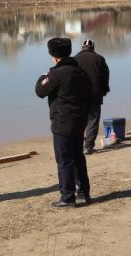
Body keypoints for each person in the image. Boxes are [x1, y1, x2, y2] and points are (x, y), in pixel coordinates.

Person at [35, 38, 93, 208]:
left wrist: (42, 77)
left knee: (64, 159)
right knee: (78, 157)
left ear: (53, 56)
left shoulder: (55, 75)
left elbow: (40, 91)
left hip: (62, 122)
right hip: (79, 120)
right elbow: (90, 94)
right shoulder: (80, 72)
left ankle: (67, 197)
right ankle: (83, 193)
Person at [74, 39, 110, 154]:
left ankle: (78, 146)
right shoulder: (99, 59)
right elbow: (105, 76)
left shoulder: (74, 59)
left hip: (78, 95)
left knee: (79, 121)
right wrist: (105, 90)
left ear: (82, 47)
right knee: (93, 120)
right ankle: (88, 146)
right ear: (93, 47)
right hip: (95, 94)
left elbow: (70, 77)